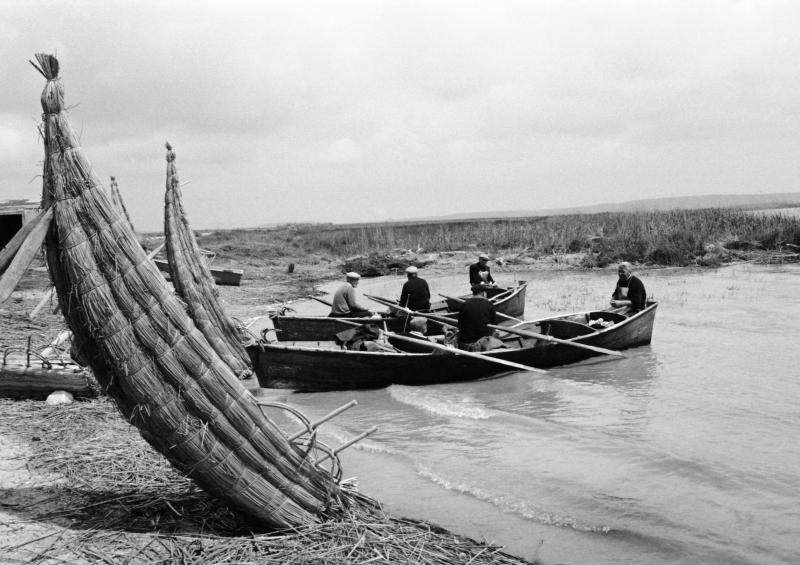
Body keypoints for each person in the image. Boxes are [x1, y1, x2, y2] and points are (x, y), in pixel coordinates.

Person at [457, 285, 499, 351]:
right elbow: (494, 324)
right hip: (484, 339)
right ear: (483, 293)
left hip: (467, 340)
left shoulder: (464, 305)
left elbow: (459, 326)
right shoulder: (489, 304)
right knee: (496, 332)